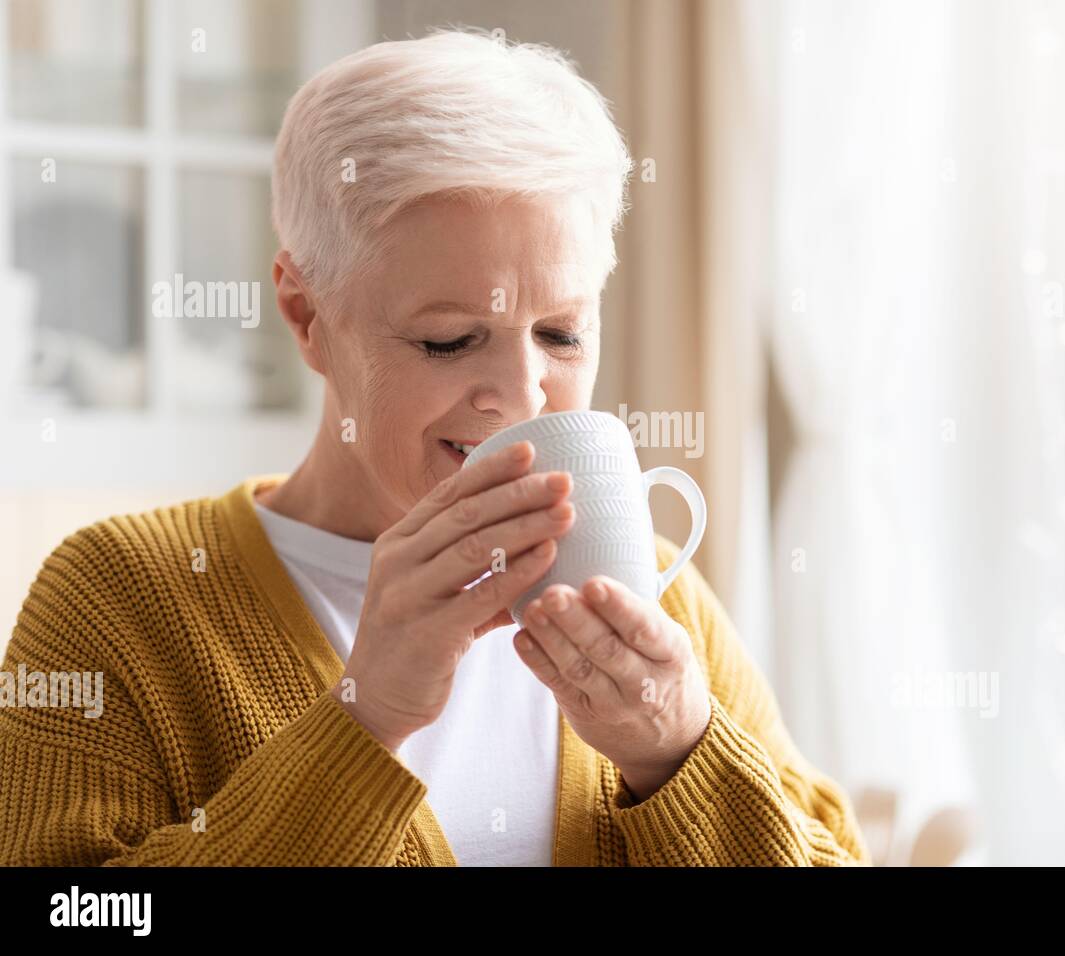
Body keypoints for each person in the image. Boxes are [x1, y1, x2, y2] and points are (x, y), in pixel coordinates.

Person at [0, 28, 866, 866]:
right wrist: (361, 719)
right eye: (450, 341)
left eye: (562, 334)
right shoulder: (119, 598)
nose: (523, 393)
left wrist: (680, 754)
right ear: (306, 318)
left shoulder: (657, 599)